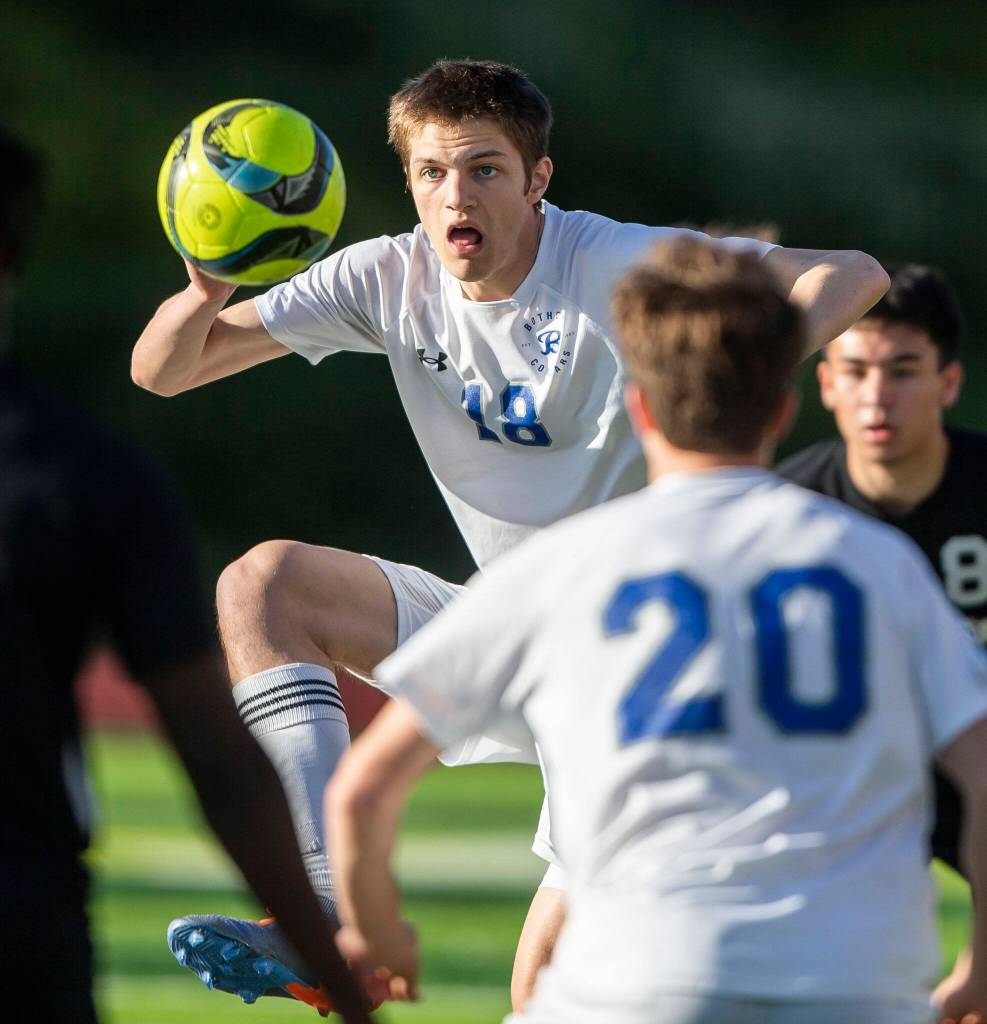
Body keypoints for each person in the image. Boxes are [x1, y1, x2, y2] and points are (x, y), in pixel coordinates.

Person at [131, 58, 890, 1010]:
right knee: (263, 584)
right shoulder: (385, 274)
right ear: (408, 184)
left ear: (538, 179)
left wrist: (723, 377)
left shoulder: (616, 263)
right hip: (504, 631)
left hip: (636, 663)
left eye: (485, 169)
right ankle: (321, 904)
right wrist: (207, 287)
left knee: (539, 995)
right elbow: (163, 371)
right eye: (432, 173)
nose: (457, 194)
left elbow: (853, 276)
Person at [327, 237, 987, 1024]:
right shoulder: (881, 562)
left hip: (640, 986)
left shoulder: (565, 567)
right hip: (856, 991)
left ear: (637, 406)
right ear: (783, 407)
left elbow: (362, 790)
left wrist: (377, 932)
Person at [0, 129, 373, 1024]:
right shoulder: (85, 477)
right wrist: (353, 996)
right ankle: (319, 909)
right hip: (20, 929)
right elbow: (215, 758)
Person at [776, 263, 987, 1009]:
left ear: (948, 382)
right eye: (856, 370)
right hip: (847, 780)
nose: (876, 395)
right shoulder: (785, 513)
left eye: (902, 370)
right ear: (825, 383)